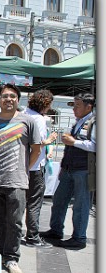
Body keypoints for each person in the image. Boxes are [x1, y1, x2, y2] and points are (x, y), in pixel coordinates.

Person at [0, 84, 41, 273]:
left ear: (18, 99)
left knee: (14, 222)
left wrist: (23, 169)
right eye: (4, 96)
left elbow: (36, 150)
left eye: (12, 96)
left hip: (16, 181)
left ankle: (12, 258)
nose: (8, 99)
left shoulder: (28, 121)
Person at [41, 93, 96, 250]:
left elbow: (95, 145)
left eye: (77, 106)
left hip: (84, 170)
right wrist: (64, 166)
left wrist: (74, 142)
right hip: (69, 169)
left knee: (81, 205)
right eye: (74, 105)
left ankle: (79, 238)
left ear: (88, 106)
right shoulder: (79, 122)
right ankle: (56, 230)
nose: (74, 109)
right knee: (59, 200)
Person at [23, 89, 58, 248]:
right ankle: (32, 236)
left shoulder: (23, 114)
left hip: (22, 165)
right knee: (34, 203)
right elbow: (38, 143)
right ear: (45, 104)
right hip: (35, 166)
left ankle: (16, 233)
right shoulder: (39, 120)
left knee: (20, 202)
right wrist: (49, 139)